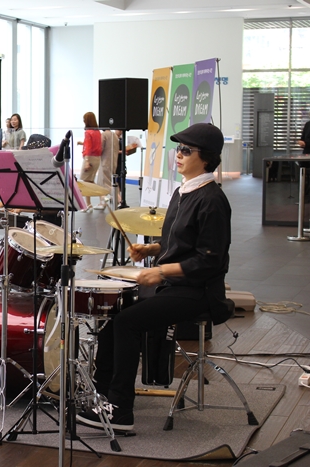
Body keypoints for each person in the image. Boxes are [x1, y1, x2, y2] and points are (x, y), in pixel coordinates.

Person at [76, 123, 231, 432]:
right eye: (178, 149)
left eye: (186, 150)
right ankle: (101, 393)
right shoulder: (183, 191)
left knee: (127, 322)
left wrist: (160, 271)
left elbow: (208, 260)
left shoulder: (212, 200)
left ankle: (120, 409)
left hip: (198, 291)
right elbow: (178, 240)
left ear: (206, 158)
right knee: (112, 315)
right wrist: (152, 248)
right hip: (175, 284)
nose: (178, 155)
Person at [77, 111, 102, 212]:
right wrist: (83, 143)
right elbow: (94, 145)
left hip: (90, 158)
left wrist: (87, 161)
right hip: (97, 158)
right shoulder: (97, 132)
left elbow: (88, 147)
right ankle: (89, 204)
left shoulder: (88, 132)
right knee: (89, 181)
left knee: (86, 182)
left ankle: (102, 197)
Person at [114, 130, 142, 207]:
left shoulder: (121, 139)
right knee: (116, 181)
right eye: (119, 130)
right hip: (116, 162)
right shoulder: (114, 139)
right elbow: (113, 151)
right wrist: (122, 152)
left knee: (121, 182)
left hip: (121, 162)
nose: (121, 132)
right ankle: (119, 199)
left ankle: (119, 199)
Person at [95, 128, 117, 210]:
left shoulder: (104, 135)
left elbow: (100, 148)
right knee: (108, 182)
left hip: (105, 162)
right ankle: (103, 202)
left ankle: (117, 199)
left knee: (104, 184)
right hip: (113, 162)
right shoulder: (114, 135)